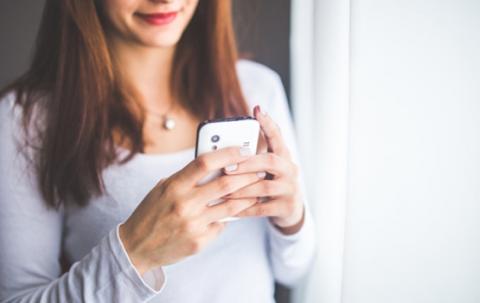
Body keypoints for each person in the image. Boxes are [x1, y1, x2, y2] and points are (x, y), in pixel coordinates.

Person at [0, 0, 315, 302]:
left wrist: (291, 218)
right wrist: (134, 252)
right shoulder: (27, 118)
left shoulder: (257, 88)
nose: (165, 0)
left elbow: (294, 270)